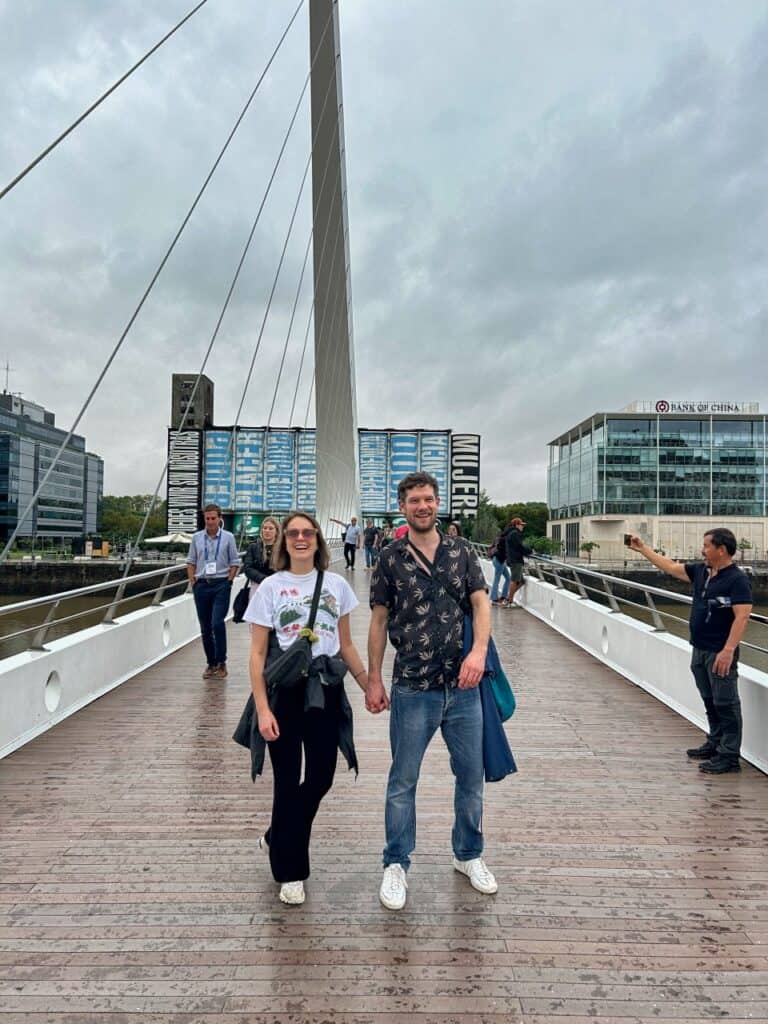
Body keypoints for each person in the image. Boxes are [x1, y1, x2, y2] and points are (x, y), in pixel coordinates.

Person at [367, 471, 495, 911]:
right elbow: (379, 621)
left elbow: (481, 603)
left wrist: (478, 652)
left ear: (438, 503)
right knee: (403, 780)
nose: (422, 506)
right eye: (414, 501)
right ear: (402, 507)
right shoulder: (389, 557)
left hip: (464, 685)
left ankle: (468, 855)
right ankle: (396, 863)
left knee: (471, 778)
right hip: (411, 686)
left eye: (428, 499)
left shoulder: (462, 552)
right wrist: (374, 678)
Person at [244, 511, 369, 905]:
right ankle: (290, 871)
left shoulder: (336, 586)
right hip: (284, 693)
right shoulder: (270, 587)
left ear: (318, 540)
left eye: (307, 532)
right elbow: (257, 654)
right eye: (293, 533)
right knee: (285, 780)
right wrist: (263, 710)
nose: (301, 538)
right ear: (284, 541)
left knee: (320, 777)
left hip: (325, 689)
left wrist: (370, 685)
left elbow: (346, 645)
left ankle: (275, 836)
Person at [628, 528, 752, 774]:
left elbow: (742, 616)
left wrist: (728, 650)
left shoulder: (736, 579)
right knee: (709, 700)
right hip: (700, 648)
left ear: (721, 549)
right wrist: (642, 549)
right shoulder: (702, 572)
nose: (702, 550)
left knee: (726, 703)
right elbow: (671, 567)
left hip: (720, 652)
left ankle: (729, 756)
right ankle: (715, 743)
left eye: (706, 545)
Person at [186, 504, 241, 679]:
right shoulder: (196, 538)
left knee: (217, 623)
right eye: (207, 518)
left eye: (213, 518)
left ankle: (222, 662)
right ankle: (211, 664)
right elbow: (191, 561)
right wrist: (193, 583)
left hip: (220, 585)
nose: (210, 522)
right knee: (205, 627)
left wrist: (229, 582)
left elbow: (235, 562)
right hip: (201, 585)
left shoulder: (228, 537)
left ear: (219, 518)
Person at [243, 517, 280, 598]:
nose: (267, 531)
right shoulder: (253, 547)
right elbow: (247, 568)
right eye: (265, 528)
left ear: (276, 531)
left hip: (276, 588)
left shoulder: (282, 549)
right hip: (257, 587)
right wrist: (264, 580)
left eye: (271, 528)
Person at [504, 516, 531, 607]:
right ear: (517, 525)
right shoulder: (515, 534)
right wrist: (530, 551)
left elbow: (518, 547)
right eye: (521, 525)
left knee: (521, 581)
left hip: (513, 559)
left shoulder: (511, 533)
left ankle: (508, 597)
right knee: (515, 580)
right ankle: (509, 602)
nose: (522, 526)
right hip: (516, 560)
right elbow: (520, 546)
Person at [489, 528, 511, 606]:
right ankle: (494, 599)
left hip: (498, 560)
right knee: (497, 579)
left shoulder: (500, 538)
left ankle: (503, 597)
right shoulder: (505, 540)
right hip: (499, 561)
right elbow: (506, 551)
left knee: (508, 578)